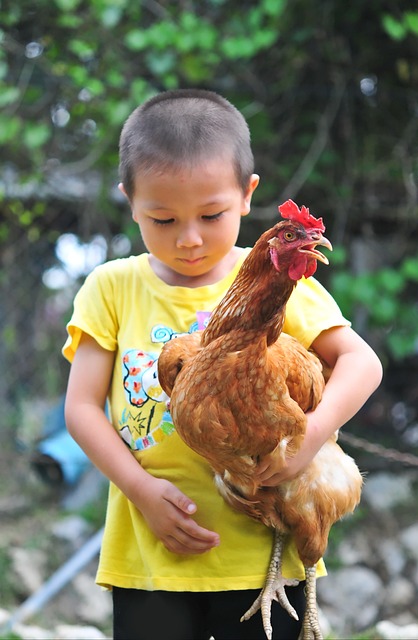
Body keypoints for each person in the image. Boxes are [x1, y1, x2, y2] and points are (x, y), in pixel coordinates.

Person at [63, 88, 383, 640]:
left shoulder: (283, 280)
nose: (188, 239)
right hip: (151, 551)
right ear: (130, 201)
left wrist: (311, 437)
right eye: (161, 219)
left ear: (245, 195)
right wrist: (141, 492)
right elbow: (81, 408)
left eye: (210, 215)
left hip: (265, 560)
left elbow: (361, 363)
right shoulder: (111, 288)